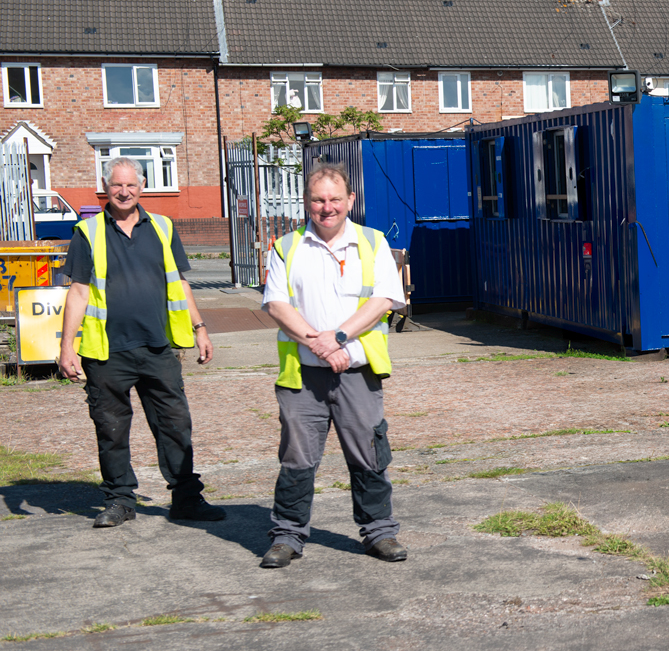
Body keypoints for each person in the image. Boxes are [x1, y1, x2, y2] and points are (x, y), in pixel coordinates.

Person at [57, 157, 223, 528]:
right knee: (111, 429)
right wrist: (67, 347)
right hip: (107, 352)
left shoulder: (162, 227)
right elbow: (79, 291)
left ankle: (186, 499)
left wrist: (200, 328)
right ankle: (119, 500)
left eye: (131, 185)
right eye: (117, 185)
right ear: (106, 186)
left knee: (175, 425)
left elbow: (179, 283)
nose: (124, 192)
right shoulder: (88, 233)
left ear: (142, 187)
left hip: (158, 347)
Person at [259, 163, 407, 568]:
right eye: (319, 200)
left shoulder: (373, 243)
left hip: (358, 373)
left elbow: (383, 302)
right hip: (303, 377)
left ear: (350, 201)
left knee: (369, 456)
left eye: (335, 200)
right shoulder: (287, 247)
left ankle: (379, 532)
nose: (327, 208)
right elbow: (276, 305)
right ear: (307, 202)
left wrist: (337, 338)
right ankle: (287, 535)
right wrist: (321, 346)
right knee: (297, 459)